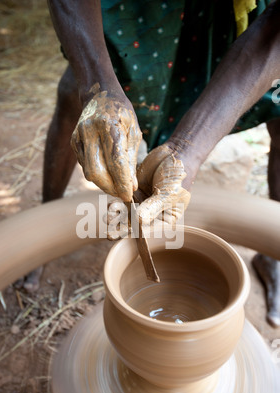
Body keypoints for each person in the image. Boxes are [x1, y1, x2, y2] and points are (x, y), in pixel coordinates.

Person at [21, 0, 280, 327]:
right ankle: (43, 231)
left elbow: (275, 32)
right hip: (141, 10)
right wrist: (97, 87)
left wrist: (186, 151)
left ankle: (273, 260)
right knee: (75, 92)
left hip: (232, 12)